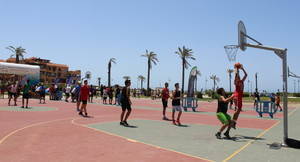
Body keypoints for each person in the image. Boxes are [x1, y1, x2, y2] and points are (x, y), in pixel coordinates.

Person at [231, 64, 247, 129]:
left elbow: (246, 75)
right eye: (237, 76)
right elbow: (236, 75)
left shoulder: (241, 81)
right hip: (237, 96)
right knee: (237, 110)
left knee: (239, 110)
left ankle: (234, 122)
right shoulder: (236, 82)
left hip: (238, 96)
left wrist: (242, 68)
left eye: (239, 76)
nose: (239, 77)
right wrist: (237, 69)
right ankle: (232, 121)